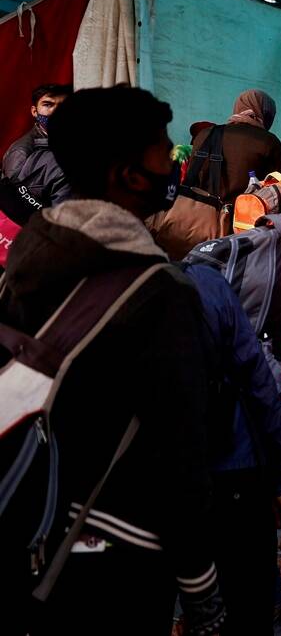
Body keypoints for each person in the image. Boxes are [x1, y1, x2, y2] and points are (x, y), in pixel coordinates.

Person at [0, 86, 224, 635]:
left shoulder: (30, 252)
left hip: (21, 525)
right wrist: (201, 590)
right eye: (162, 150)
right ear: (126, 174)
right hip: (112, 557)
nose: (173, 162)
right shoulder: (163, 294)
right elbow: (181, 453)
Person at [181, 262, 281, 633]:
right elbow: (260, 384)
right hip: (235, 472)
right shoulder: (206, 283)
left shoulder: (95, 281)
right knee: (248, 600)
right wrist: (280, 479)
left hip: (165, 478)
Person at [188, 89, 281, 202]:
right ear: (265, 114)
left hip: (200, 215)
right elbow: (276, 192)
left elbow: (191, 178)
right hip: (244, 217)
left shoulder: (205, 134)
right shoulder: (269, 141)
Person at [2, 83, 72, 207]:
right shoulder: (21, 153)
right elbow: (16, 205)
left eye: (63, 105)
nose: (55, 111)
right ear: (34, 111)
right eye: (48, 104)